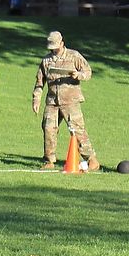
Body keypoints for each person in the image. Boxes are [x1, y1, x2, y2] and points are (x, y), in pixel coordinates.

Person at [31, 31, 100, 171]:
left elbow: (88, 72)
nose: (53, 50)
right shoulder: (46, 61)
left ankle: (91, 159)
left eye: (56, 47)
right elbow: (39, 83)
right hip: (52, 101)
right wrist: (36, 100)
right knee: (48, 129)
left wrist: (78, 75)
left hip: (71, 101)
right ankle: (49, 160)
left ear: (62, 43)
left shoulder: (74, 56)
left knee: (77, 130)